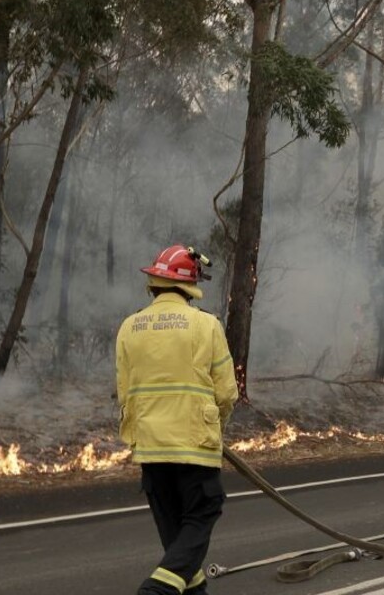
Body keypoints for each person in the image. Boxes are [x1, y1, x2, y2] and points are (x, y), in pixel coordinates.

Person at [117, 244, 238, 595]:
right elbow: (227, 392)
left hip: (151, 451)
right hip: (194, 448)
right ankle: (156, 590)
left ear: (154, 282)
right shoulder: (206, 325)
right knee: (202, 515)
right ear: (191, 285)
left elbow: (125, 393)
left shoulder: (128, 328)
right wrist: (215, 429)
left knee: (178, 546)